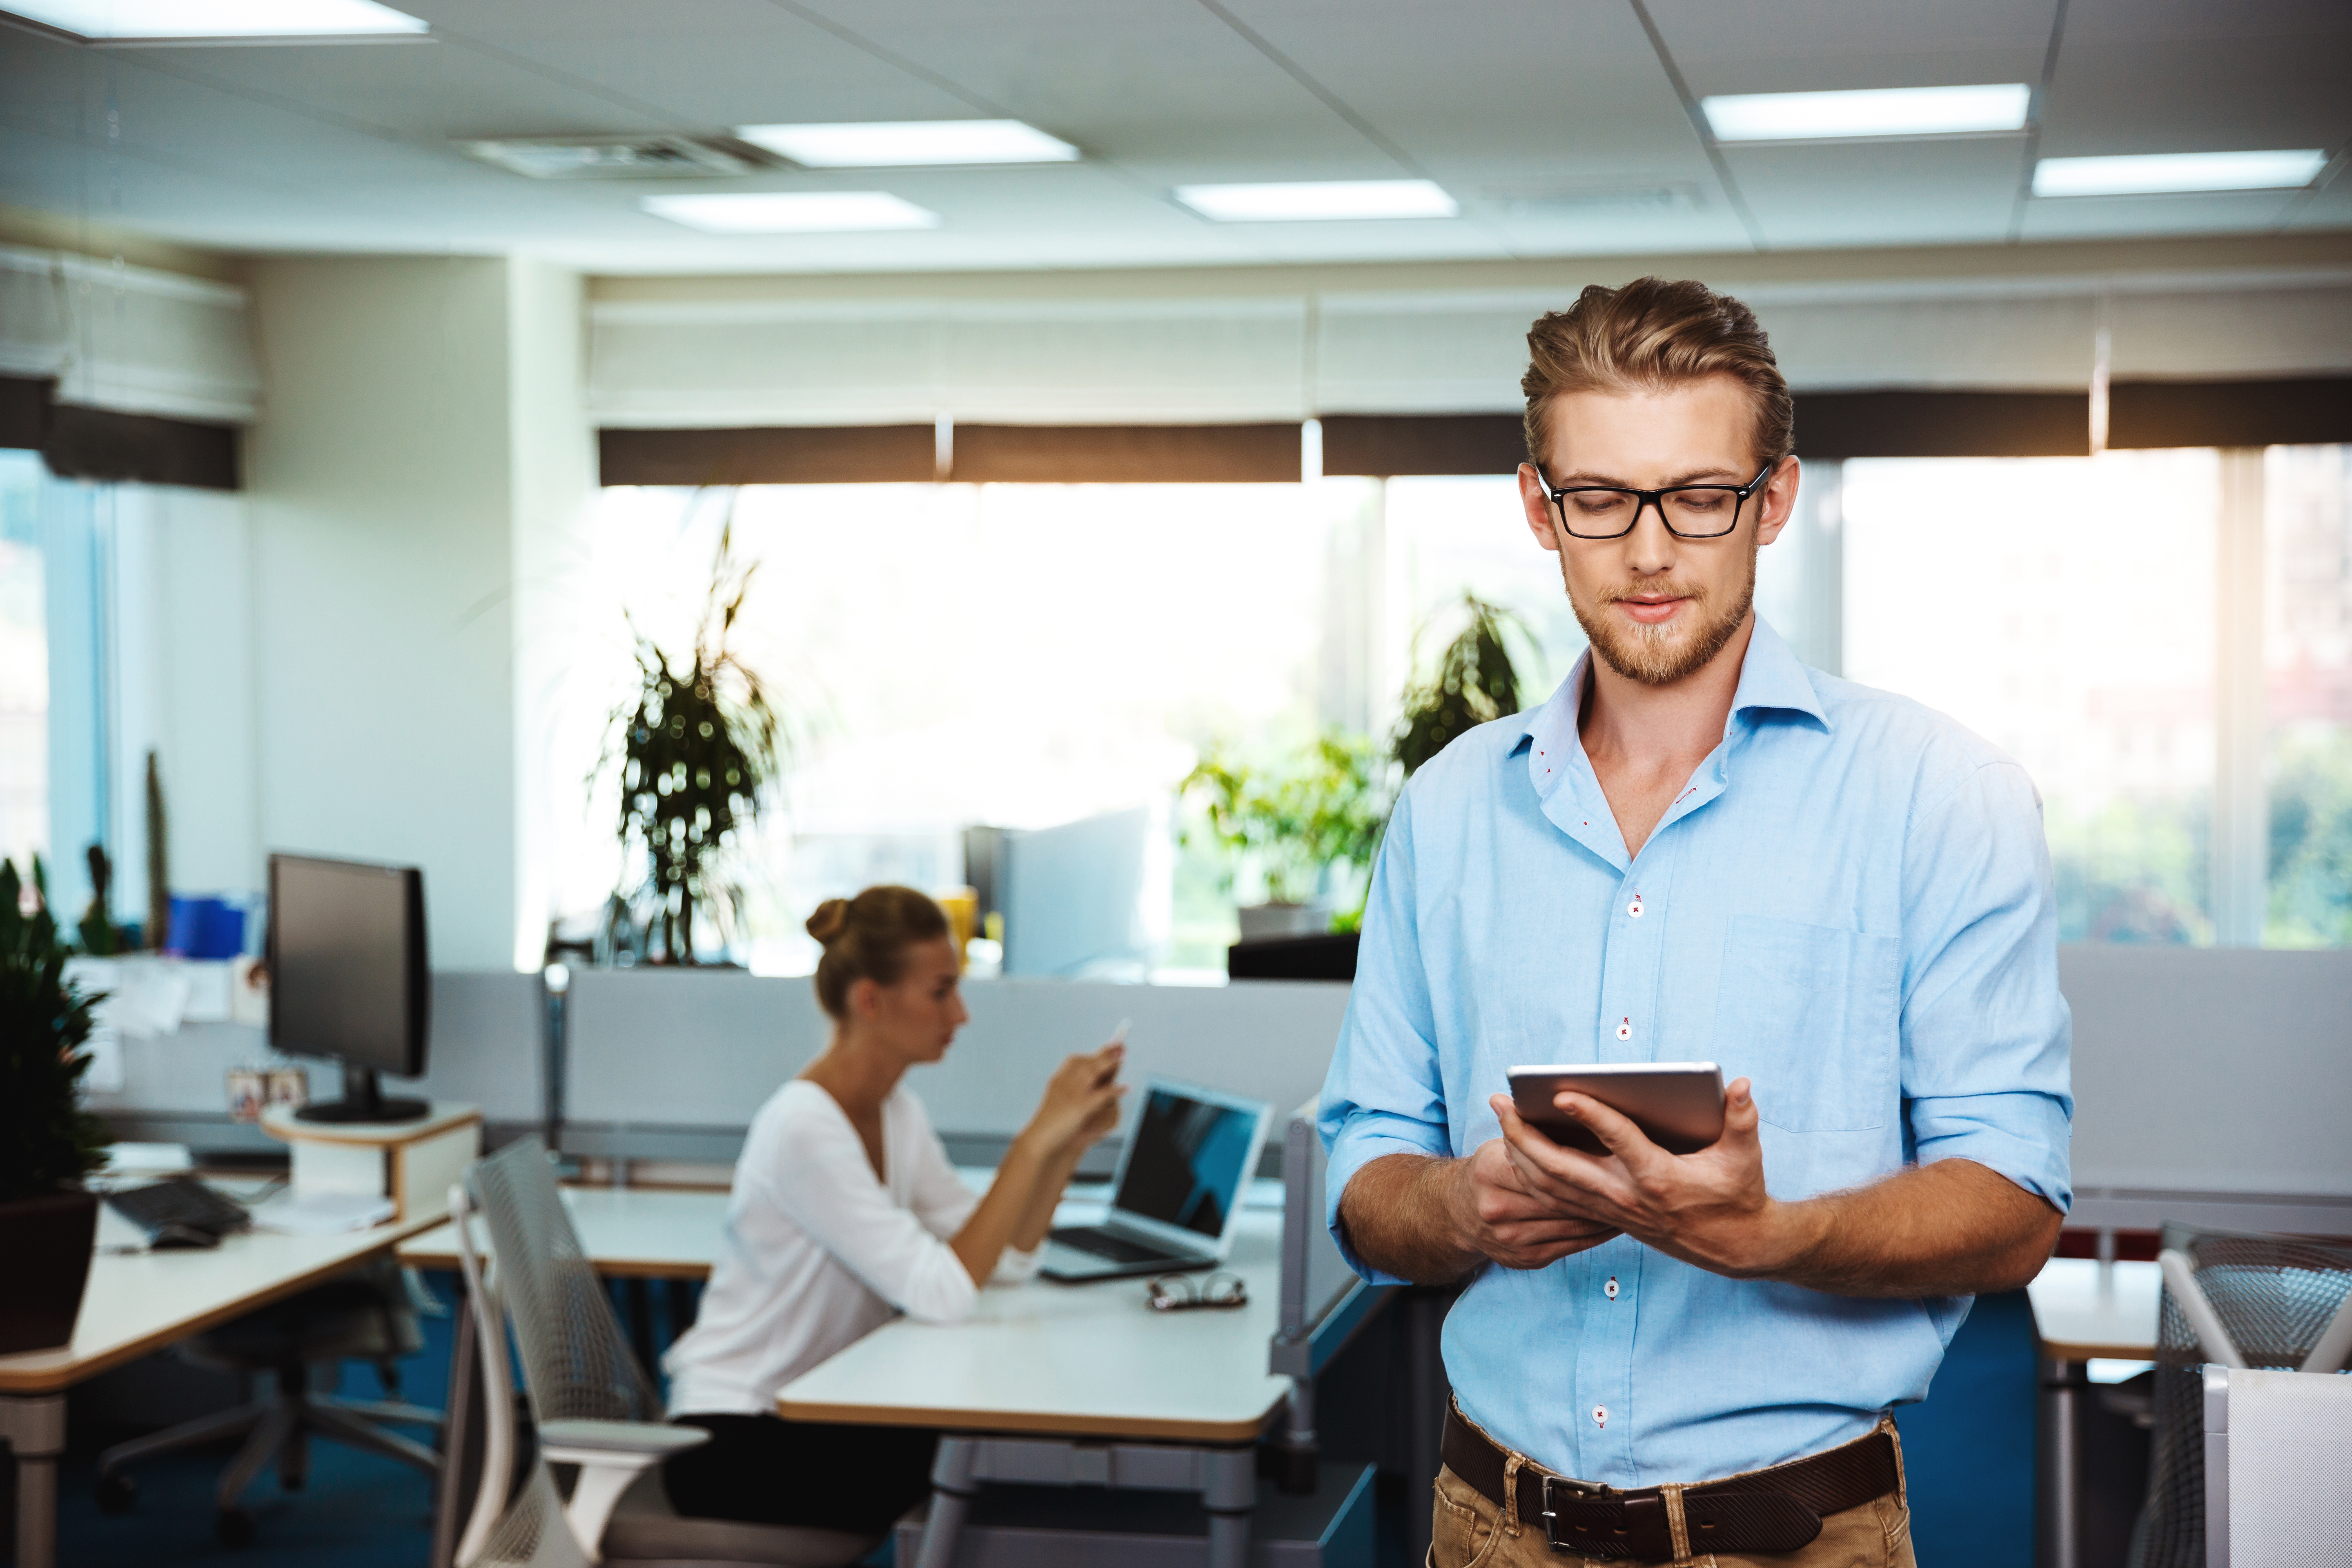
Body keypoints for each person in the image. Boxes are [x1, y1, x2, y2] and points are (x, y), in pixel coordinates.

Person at [1320, 277, 2071, 1567]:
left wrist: (1773, 1237)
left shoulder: (1943, 798)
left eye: (1701, 498)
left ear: (1771, 500)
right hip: (1485, 1527)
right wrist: (1462, 1208)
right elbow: (1364, 1175)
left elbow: (2013, 1204)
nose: (1650, 551)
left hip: (1796, 1538)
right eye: (1601, 499)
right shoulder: (1446, 814)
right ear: (1539, 506)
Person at [662, 885, 1124, 1534]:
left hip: (814, 1415)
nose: (960, 1014)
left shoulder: (895, 1112)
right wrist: (1031, 1141)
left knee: (984, 1446)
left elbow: (1002, 1261)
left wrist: (1065, 1147)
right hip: (736, 1442)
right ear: (871, 1001)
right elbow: (943, 1292)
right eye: (941, 991)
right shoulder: (804, 1129)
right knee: (978, 1448)